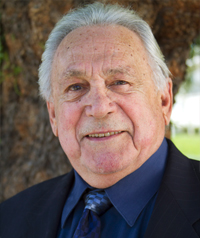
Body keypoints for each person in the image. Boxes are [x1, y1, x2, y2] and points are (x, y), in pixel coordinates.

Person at [1, 2, 200, 238]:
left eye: (119, 82)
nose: (99, 108)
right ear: (53, 115)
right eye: (76, 87)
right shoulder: (8, 218)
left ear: (164, 100)